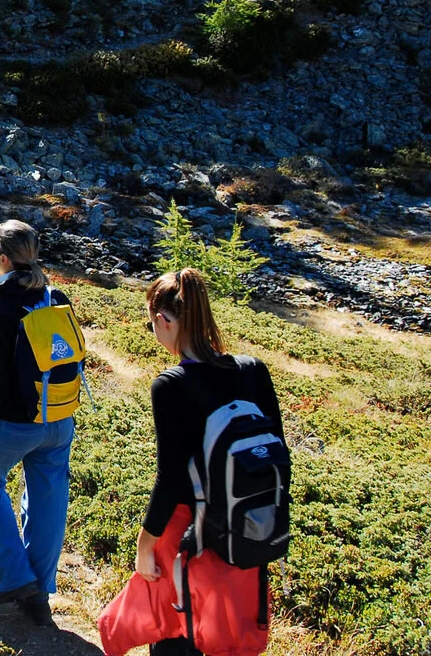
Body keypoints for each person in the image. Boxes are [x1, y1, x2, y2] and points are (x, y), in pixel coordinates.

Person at [130, 269, 283, 656]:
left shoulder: (171, 384)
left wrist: (144, 544)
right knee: (229, 635)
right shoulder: (254, 371)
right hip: (247, 531)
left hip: (189, 536)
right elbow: (277, 453)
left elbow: (171, 482)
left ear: (163, 321)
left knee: (180, 634)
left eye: (153, 326)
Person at [0, 220, 79, 628]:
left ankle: (16, 576)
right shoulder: (55, 295)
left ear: (2, 257)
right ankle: (40, 592)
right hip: (60, 417)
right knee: (48, 500)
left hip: (16, 422)